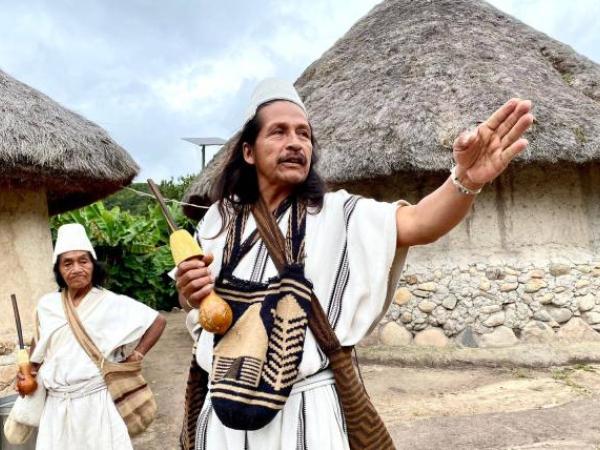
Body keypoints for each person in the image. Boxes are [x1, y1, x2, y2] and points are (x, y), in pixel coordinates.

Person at [175, 78, 533, 449]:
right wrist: (190, 291)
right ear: (248, 152)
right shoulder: (219, 219)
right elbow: (196, 300)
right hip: (222, 418)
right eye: (278, 132)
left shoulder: (339, 213)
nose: (295, 142)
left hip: (305, 414)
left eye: (304, 134)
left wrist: (464, 180)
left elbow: (420, 224)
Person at [16, 223, 167, 450]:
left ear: (93, 266)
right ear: (59, 270)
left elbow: (157, 321)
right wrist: (28, 370)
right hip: (56, 407)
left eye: (83, 261)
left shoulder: (111, 303)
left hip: (98, 404)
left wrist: (136, 355)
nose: (76, 268)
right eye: (68, 263)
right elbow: (40, 341)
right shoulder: (47, 305)